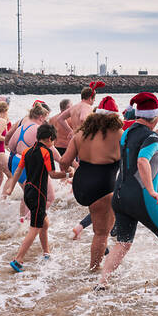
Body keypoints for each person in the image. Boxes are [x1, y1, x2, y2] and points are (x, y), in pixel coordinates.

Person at [100, 92, 158, 288]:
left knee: (123, 243)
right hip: (141, 197)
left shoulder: (127, 132)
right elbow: (142, 161)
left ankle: (102, 282)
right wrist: (152, 191)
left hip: (120, 195)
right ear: (156, 116)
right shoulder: (151, 136)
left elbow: (132, 159)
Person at [60, 96, 123, 269]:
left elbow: (64, 161)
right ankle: (94, 269)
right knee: (101, 233)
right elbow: (131, 161)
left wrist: (67, 172)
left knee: (99, 224)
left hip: (81, 186)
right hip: (103, 186)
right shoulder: (119, 134)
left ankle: (98, 262)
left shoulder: (81, 133)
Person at [6, 124, 71, 271]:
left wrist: (10, 187)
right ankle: (18, 260)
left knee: (44, 223)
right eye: (53, 141)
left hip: (28, 191)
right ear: (49, 138)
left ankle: (46, 253)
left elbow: (17, 171)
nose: (53, 144)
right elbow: (53, 174)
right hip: (39, 194)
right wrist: (68, 174)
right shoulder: (46, 152)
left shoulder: (27, 151)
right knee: (35, 228)